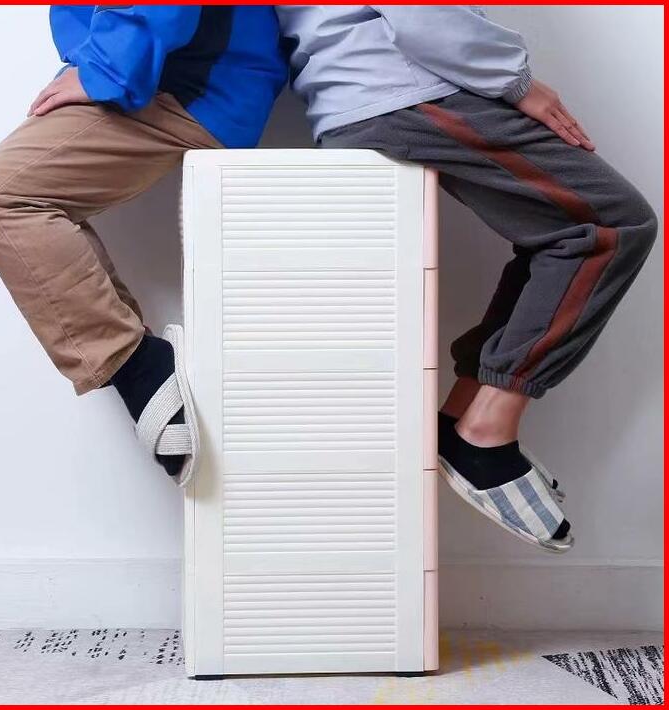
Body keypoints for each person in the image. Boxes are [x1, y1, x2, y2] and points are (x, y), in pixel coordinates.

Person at [275, 5, 658, 551]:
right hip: (401, 87)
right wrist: (515, 81)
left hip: (370, 89)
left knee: (559, 236)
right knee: (612, 225)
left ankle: (459, 418)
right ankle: (486, 432)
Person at [0, 6, 287, 486]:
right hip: (169, 77)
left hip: (193, 86)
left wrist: (107, 69)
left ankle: (139, 368)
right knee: (1, 196)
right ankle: (137, 362)